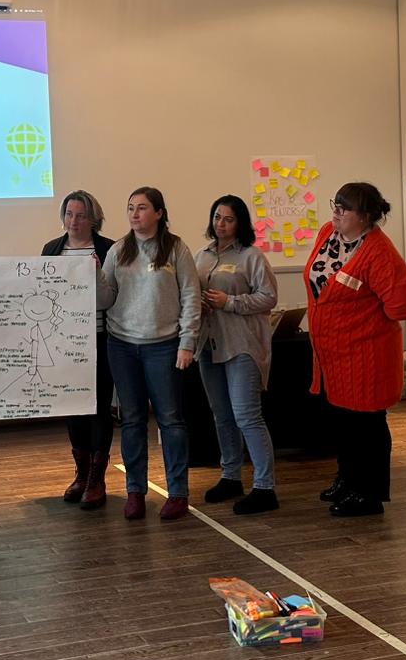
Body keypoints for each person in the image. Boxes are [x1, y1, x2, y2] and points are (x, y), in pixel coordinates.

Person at [302, 182, 406, 518]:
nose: (336, 212)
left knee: (366, 426)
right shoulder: (328, 233)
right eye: (335, 204)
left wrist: (365, 320)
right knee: (342, 421)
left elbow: (405, 305)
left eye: (345, 208)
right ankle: (347, 479)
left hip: (365, 355)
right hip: (332, 354)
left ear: (366, 216)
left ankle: (369, 494)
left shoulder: (379, 252)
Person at [95, 187, 201, 521]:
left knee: (170, 419)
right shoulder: (118, 250)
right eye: (130, 208)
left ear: (158, 212)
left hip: (164, 345)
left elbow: (191, 296)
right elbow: (105, 299)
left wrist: (187, 342)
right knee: (132, 420)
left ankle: (178, 493)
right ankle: (135, 491)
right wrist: (94, 276)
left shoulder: (176, 248)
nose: (134, 214)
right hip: (122, 345)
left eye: (141, 208)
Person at [195, 195, 280, 515]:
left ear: (240, 223)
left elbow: (269, 297)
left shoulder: (251, 256)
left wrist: (229, 302)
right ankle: (231, 476)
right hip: (209, 344)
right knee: (222, 415)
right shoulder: (202, 256)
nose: (221, 224)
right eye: (217, 217)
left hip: (242, 345)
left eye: (228, 219)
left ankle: (265, 487)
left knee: (246, 415)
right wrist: (199, 303)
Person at [40, 190, 117, 508]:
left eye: (81, 215)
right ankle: (82, 474)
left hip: (99, 339)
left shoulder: (108, 249)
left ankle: (97, 478)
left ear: (93, 219)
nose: (74, 221)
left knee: (98, 408)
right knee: (72, 406)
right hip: (64, 341)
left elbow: (112, 297)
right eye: (69, 214)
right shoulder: (51, 249)